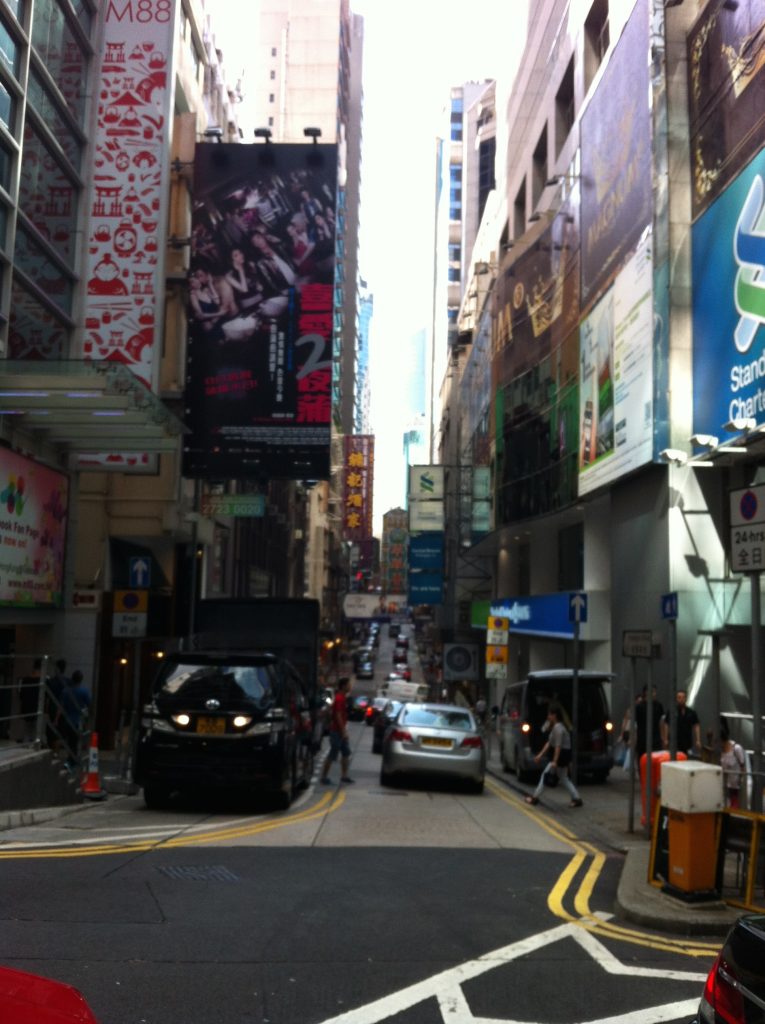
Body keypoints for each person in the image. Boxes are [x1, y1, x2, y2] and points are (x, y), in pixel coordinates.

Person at [525, 706, 583, 808]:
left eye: (549, 715)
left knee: (545, 775)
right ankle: (577, 798)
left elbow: (558, 746)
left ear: (554, 716)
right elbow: (549, 743)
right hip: (562, 756)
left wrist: (555, 761)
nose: (548, 717)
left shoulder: (558, 728)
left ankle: (535, 798)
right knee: (564, 778)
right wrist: (540, 755)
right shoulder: (556, 727)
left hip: (561, 756)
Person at [320, 676, 354, 785]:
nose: (350, 686)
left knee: (346, 753)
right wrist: (343, 731)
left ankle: (344, 776)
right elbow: (338, 715)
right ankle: (324, 777)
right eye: (349, 684)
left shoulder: (342, 698)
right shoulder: (339, 698)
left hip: (340, 730)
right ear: (344, 686)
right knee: (333, 753)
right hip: (336, 731)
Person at [60, 670, 92, 767]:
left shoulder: (65, 691)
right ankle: (73, 761)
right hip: (78, 720)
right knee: (76, 741)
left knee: (70, 741)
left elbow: (62, 706)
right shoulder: (84, 691)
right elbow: (89, 705)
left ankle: (70, 759)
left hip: (67, 719)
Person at [661, 689, 701, 755]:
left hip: (687, 741)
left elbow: (696, 725)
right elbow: (666, 724)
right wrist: (665, 739)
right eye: (679, 697)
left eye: (683, 697)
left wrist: (698, 740)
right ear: (676, 699)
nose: (681, 699)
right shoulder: (672, 712)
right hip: (675, 742)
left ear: (686, 699)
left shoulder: (691, 712)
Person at [719, 718, 746, 809]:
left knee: (734, 806)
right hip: (724, 785)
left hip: (735, 786)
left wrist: (741, 780)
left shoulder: (736, 749)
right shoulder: (720, 752)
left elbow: (743, 766)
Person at [17, 659, 43, 743]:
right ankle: (34, 745)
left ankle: (26, 745)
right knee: (35, 729)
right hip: (36, 707)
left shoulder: (25, 680)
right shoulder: (42, 681)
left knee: (27, 729)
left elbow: (21, 695)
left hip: (27, 707)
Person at [45, 658, 69, 749]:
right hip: (64, 708)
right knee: (61, 729)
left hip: (52, 707)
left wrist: (46, 711)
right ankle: (57, 748)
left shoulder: (51, 681)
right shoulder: (68, 682)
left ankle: (52, 747)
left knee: (51, 729)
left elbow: (47, 697)